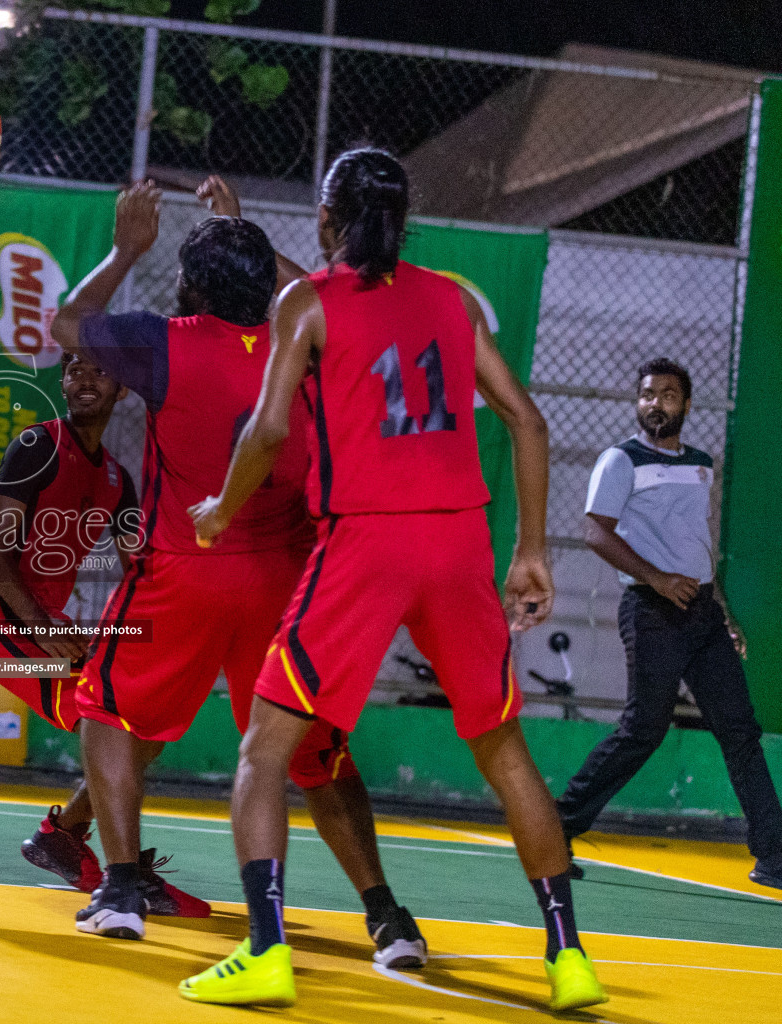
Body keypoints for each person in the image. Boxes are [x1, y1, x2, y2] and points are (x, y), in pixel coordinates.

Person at [183, 147, 605, 1012]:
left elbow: (266, 434)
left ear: (327, 220)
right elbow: (527, 419)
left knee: (265, 752)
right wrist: (532, 550)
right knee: (504, 751)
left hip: (364, 547)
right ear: (403, 221)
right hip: (457, 546)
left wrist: (222, 510)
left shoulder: (309, 305)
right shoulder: (448, 300)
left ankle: (266, 954)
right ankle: (569, 960)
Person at [43, 175, 428, 971]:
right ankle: (388, 916)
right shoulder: (312, 343)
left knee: (109, 712)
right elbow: (318, 297)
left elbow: (67, 323)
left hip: (183, 568)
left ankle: (119, 890)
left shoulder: (163, 341)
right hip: (287, 580)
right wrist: (246, 232)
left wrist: (124, 248)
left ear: (188, 285)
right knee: (317, 754)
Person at [0, 350, 210, 916]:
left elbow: (141, 567)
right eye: (74, 369)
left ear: (122, 389)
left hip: (49, 628)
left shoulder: (117, 479)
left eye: (99, 371)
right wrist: (45, 627)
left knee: (145, 713)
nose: (83, 379)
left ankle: (65, 834)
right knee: (113, 719)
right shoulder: (37, 446)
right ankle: (107, 864)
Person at [559, 357, 782, 890]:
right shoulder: (621, 460)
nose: (655, 403)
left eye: (666, 394)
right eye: (646, 395)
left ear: (685, 402)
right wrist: (657, 578)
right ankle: (555, 828)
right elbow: (596, 532)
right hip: (652, 610)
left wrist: (722, 613)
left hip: (702, 613)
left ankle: (774, 856)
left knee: (740, 732)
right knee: (644, 728)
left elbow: (697, 543)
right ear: (638, 403)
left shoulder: (702, 463)